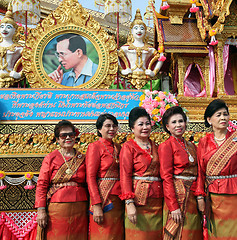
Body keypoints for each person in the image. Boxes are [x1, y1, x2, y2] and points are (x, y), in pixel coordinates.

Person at [35, 120, 88, 240]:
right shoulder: (51, 158)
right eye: (64, 135)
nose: (68, 137)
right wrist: (41, 210)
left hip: (80, 206)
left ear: (75, 137)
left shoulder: (83, 158)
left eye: (71, 134)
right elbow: (42, 185)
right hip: (57, 206)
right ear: (58, 139)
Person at [158, 106, 203, 239]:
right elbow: (166, 177)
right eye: (174, 122)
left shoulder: (191, 146)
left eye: (181, 121)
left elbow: (199, 171)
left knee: (193, 233)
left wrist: (200, 196)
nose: (178, 125)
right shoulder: (166, 146)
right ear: (167, 126)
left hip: (192, 196)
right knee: (179, 233)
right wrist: (173, 206)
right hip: (177, 196)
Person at [119, 107, 163, 239]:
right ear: (132, 128)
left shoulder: (156, 146)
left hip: (157, 200)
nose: (145, 127)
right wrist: (129, 202)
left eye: (147, 123)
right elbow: (125, 175)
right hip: (138, 201)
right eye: (140, 124)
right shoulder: (128, 147)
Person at [196, 99, 237, 239]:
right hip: (212, 197)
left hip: (234, 195)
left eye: (225, 114)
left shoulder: (235, 139)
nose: (223, 118)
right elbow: (200, 172)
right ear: (209, 119)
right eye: (218, 114)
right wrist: (200, 196)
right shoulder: (203, 142)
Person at [86, 114, 124, 240]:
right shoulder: (94, 147)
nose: (111, 129)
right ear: (99, 129)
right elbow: (90, 177)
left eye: (114, 126)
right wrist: (96, 204)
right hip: (104, 200)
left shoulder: (119, 147)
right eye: (107, 126)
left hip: (119, 199)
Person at [118, 9, 164, 89]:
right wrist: (122, 70)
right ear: (131, 31)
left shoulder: (149, 49)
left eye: (142, 28)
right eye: (136, 28)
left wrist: (154, 72)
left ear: (145, 31)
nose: (139, 31)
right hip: (129, 77)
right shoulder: (125, 48)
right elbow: (114, 55)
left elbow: (161, 58)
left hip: (146, 78)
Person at [0, 6, 23, 88]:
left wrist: (19, 74)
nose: (4, 30)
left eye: (8, 27)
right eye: (2, 27)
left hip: (10, 81)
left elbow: (29, 64)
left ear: (15, 31)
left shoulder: (19, 48)